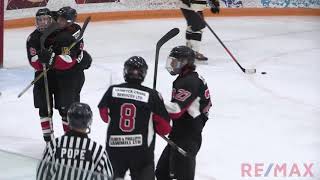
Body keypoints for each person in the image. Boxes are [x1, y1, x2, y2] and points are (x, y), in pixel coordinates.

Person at [98, 56, 172, 180]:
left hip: (115, 150)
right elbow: (165, 128)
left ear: (126, 71)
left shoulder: (113, 90)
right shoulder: (152, 95)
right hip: (141, 152)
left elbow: (104, 115)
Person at [155, 46, 212, 180]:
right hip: (180, 134)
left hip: (187, 138)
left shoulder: (190, 82)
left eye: (175, 62)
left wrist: (155, 102)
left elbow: (176, 111)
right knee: (162, 173)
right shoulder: (186, 78)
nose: (172, 65)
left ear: (186, 62)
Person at [40, 6, 92, 134]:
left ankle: (72, 138)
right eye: (59, 19)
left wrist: (51, 59)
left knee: (67, 110)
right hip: (69, 76)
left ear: (69, 22)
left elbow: (67, 61)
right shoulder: (75, 29)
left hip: (71, 77)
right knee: (65, 107)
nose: (58, 21)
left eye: (62, 20)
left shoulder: (66, 38)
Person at [36, 102, 113, 180]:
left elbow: (41, 175)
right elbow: (107, 177)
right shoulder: (97, 151)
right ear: (89, 122)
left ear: (69, 120)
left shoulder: (54, 145)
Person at [26, 8, 57, 142]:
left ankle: (68, 139)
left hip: (58, 76)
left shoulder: (58, 34)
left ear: (50, 20)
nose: (43, 23)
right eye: (40, 20)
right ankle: (49, 140)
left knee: (64, 107)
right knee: (44, 108)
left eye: (46, 19)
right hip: (41, 76)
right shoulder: (32, 38)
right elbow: (33, 62)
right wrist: (41, 62)